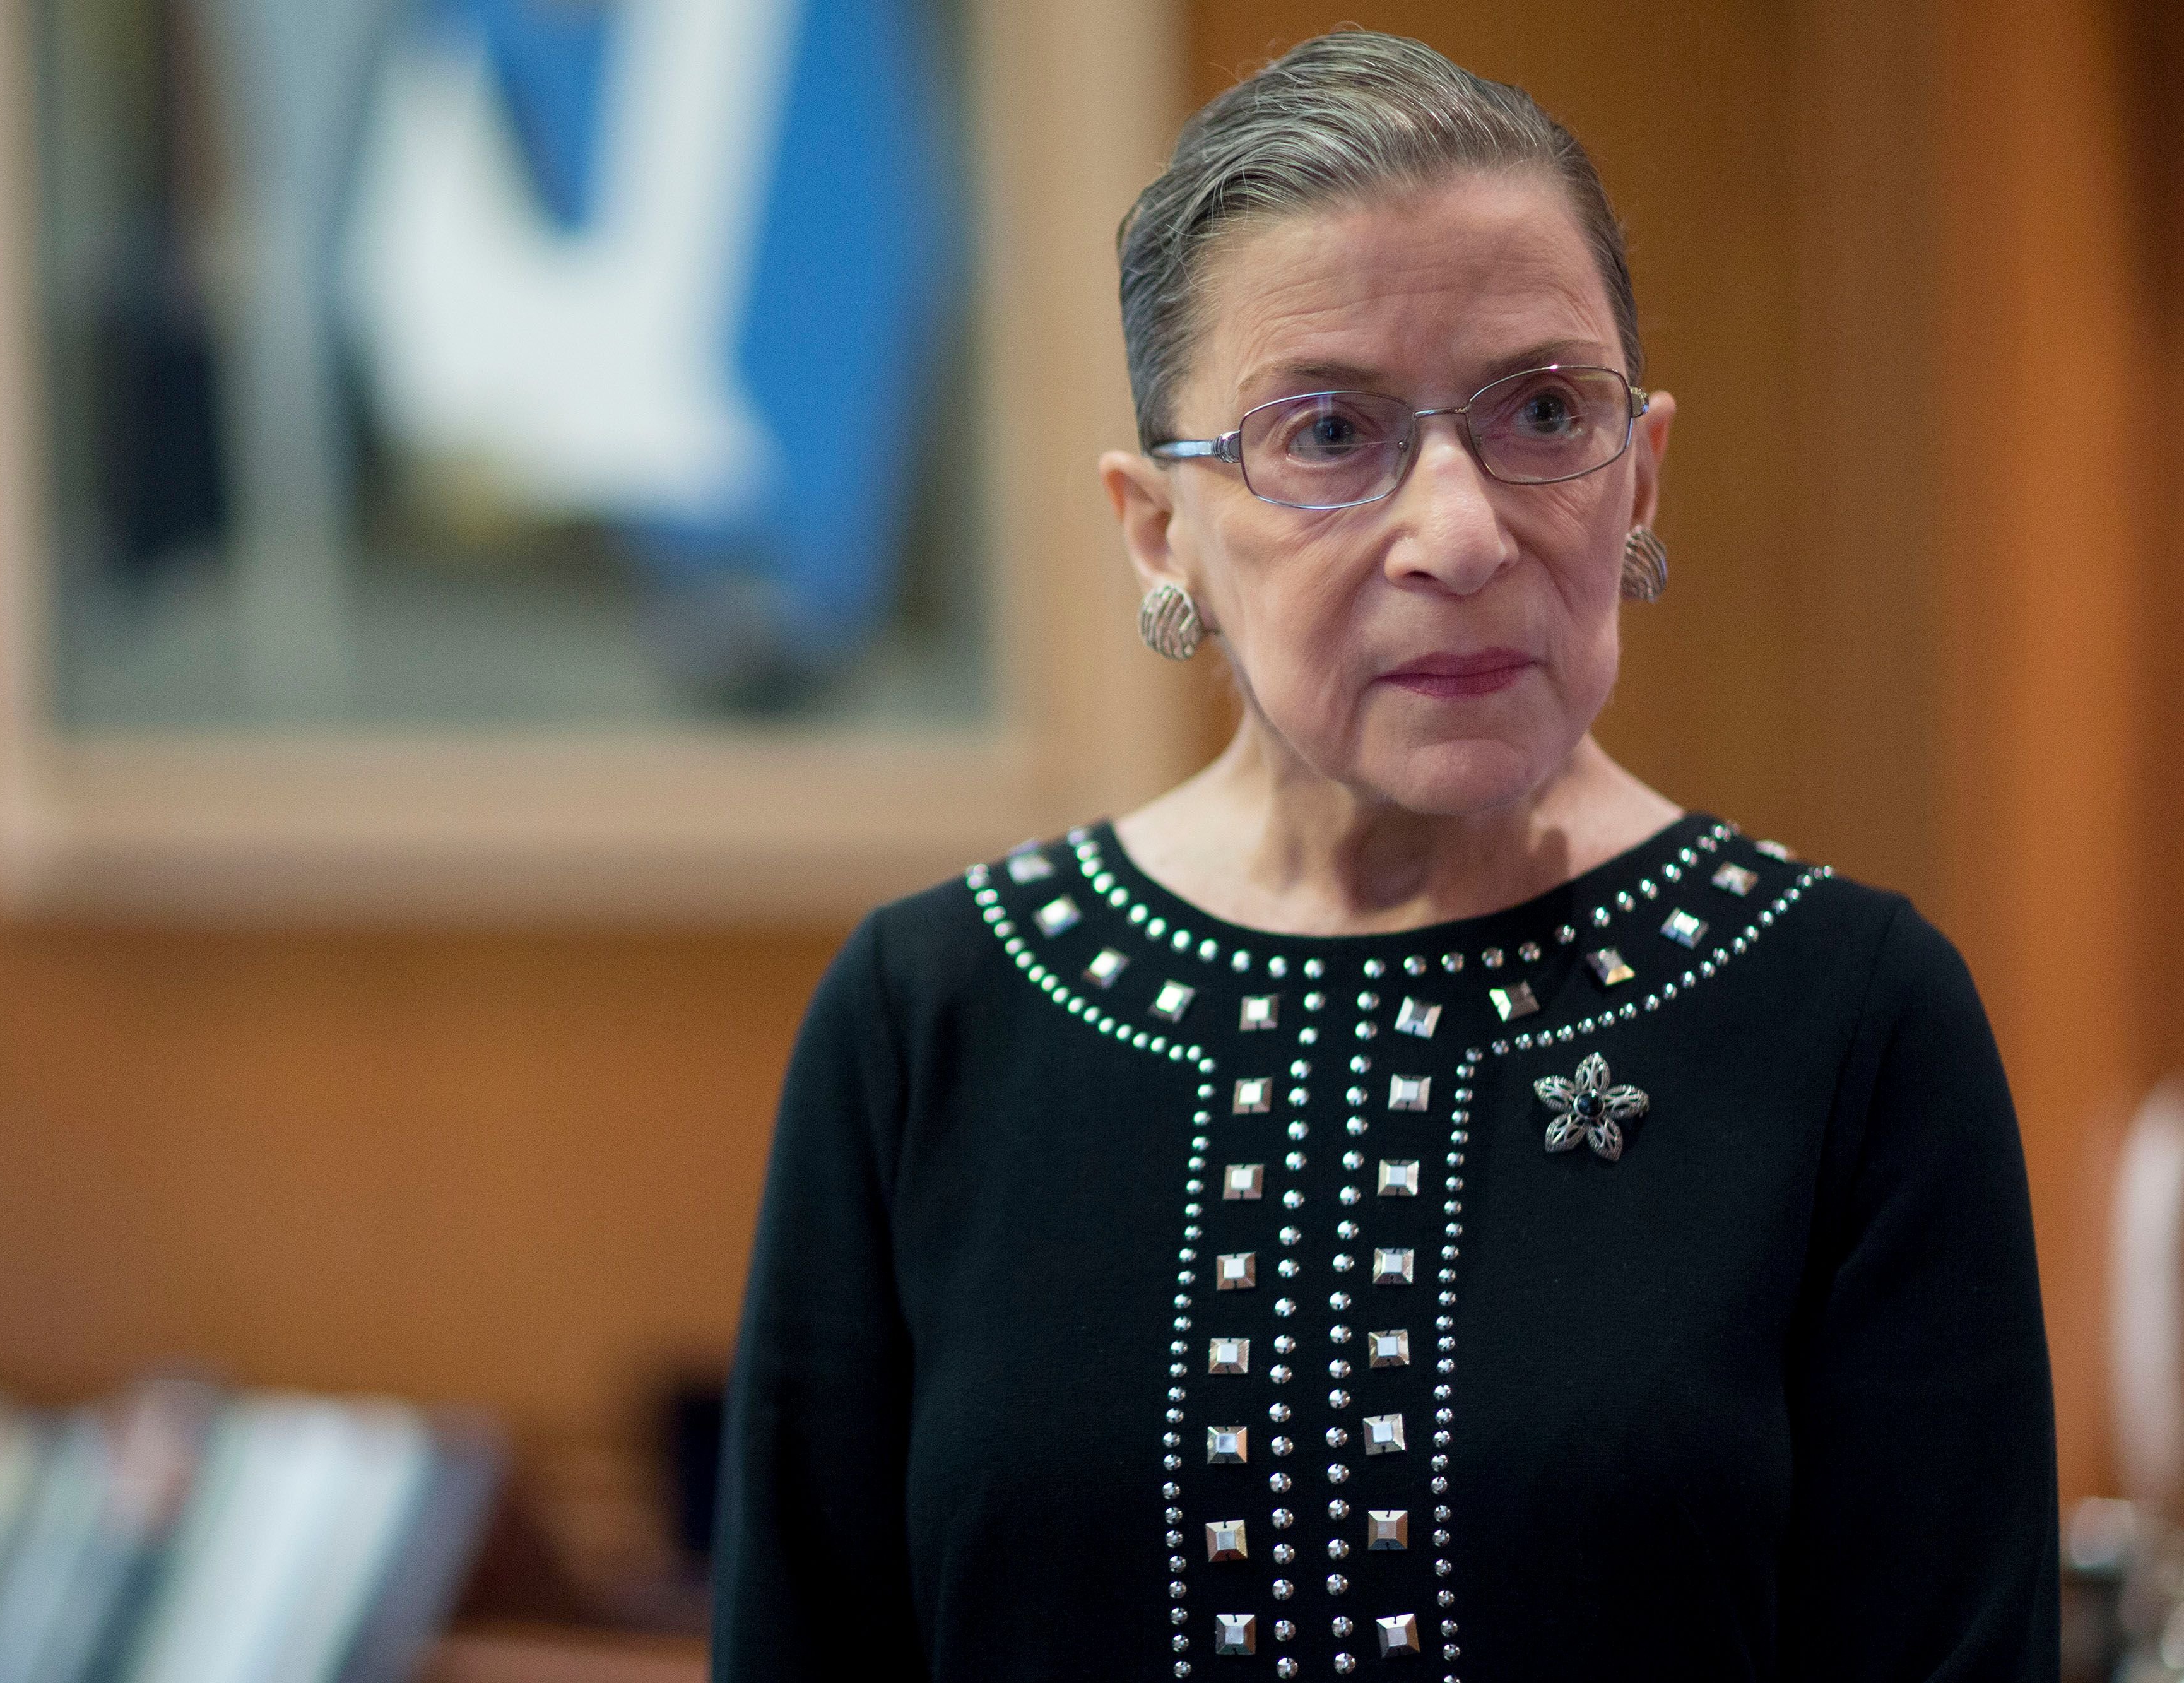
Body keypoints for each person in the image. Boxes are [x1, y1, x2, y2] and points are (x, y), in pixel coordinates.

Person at [711, 28, 2057, 1681]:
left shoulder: (1850, 1017)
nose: (1464, 531)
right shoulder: (928, 1018)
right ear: (1162, 528)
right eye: (1332, 434)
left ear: (1640, 479)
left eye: (1545, 409)